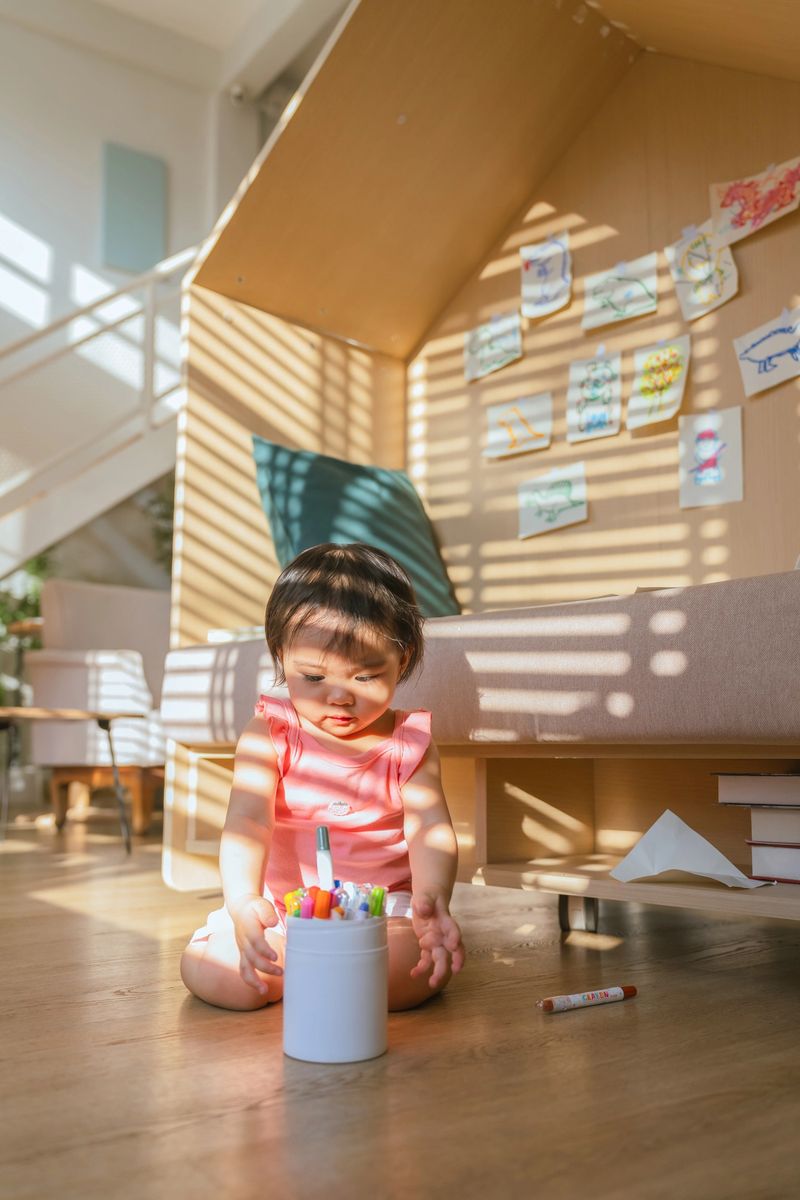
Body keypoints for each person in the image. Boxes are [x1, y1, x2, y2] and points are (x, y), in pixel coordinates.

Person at [180, 542, 465, 1012]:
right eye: (313, 678)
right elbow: (248, 822)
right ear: (281, 654)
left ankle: (321, 975)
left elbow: (429, 828)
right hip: (281, 909)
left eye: (366, 677)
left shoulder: (408, 742)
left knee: (408, 970)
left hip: (379, 912)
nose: (339, 698)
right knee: (218, 973)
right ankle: (313, 971)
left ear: (404, 658)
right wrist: (243, 901)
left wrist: (432, 900)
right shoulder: (269, 732)